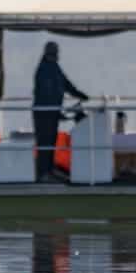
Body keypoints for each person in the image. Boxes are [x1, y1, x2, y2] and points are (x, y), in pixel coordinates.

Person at [31, 41, 88, 181]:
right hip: (44, 114)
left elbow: (66, 84)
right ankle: (43, 173)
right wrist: (57, 112)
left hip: (52, 112)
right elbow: (47, 93)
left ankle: (49, 170)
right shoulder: (43, 69)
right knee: (44, 143)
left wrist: (80, 95)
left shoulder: (54, 67)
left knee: (51, 142)